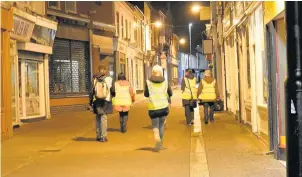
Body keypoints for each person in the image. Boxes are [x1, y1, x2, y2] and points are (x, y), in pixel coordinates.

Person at [144, 65, 173, 151]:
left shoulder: (148, 82)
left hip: (153, 107)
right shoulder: (165, 82)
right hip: (163, 106)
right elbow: (170, 93)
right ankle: (160, 145)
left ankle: (155, 132)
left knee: (155, 125)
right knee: (161, 125)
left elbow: (146, 94)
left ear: (152, 72)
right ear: (161, 72)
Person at [89, 66, 113, 142]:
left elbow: (91, 92)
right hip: (105, 100)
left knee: (97, 118)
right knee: (104, 118)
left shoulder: (94, 79)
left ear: (99, 70)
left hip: (96, 101)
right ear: (105, 71)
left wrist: (90, 103)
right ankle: (103, 136)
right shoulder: (109, 79)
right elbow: (112, 90)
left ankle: (98, 135)